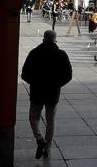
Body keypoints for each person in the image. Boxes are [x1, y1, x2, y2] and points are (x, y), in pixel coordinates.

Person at [21, 29, 72, 158]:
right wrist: (57, 84)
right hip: (53, 93)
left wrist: (34, 82)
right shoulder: (61, 54)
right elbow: (68, 75)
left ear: (43, 39)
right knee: (50, 120)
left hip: (37, 92)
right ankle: (48, 148)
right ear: (55, 40)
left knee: (33, 117)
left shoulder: (34, 53)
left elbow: (24, 74)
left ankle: (39, 139)